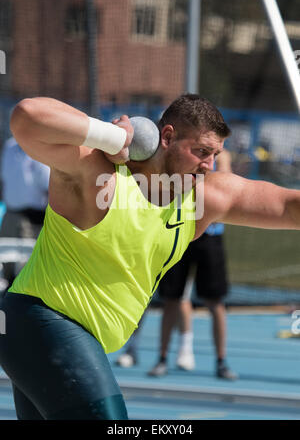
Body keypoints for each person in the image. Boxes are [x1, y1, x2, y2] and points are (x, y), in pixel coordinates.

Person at [1, 94, 300, 420]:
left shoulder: (201, 198)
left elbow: (287, 206)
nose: (209, 165)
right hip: (41, 320)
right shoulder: (99, 174)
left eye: (215, 155)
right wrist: (110, 136)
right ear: (167, 138)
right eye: (200, 151)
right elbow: (27, 116)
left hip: (56, 337)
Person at [117, 151, 237, 380]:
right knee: (171, 298)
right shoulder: (182, 154)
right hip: (179, 228)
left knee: (215, 302)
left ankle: (221, 361)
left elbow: (226, 189)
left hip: (209, 236)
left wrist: (214, 168)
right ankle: (161, 358)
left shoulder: (219, 158)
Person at [0, 137, 50, 287]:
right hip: (11, 212)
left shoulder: (42, 148)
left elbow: (48, 186)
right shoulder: (10, 146)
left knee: (28, 262)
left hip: (34, 216)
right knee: (7, 258)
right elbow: (3, 180)